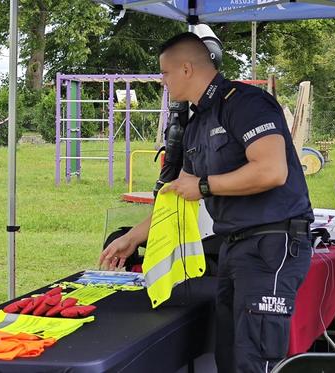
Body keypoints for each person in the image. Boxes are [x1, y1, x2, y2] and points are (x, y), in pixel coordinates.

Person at [100, 32, 313, 373]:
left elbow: (272, 171)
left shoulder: (246, 103)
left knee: (254, 360)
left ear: (186, 69)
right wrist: (133, 237)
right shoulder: (197, 121)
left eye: (165, 74)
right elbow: (178, 192)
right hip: (235, 247)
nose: (163, 82)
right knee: (227, 356)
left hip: (273, 243)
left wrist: (205, 185)